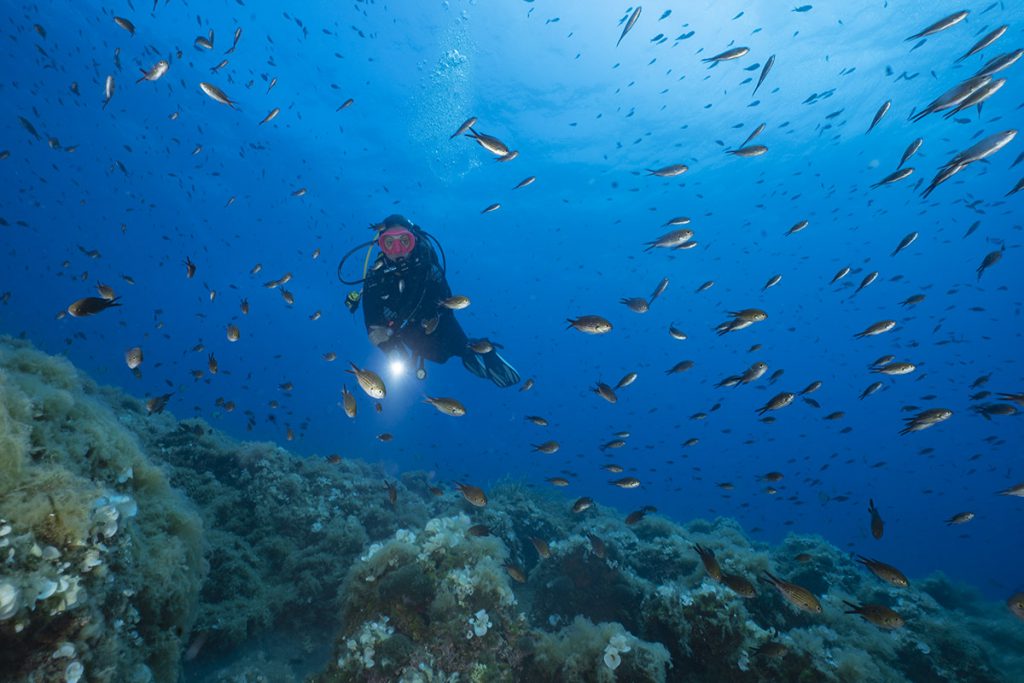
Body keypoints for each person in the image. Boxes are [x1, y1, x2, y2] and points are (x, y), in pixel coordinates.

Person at [339, 214, 520, 387]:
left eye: (405, 241)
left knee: (458, 345)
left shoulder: (427, 266)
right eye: (389, 243)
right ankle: (469, 352)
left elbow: (447, 300)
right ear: (381, 246)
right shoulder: (375, 278)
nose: (398, 250)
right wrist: (391, 348)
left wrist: (431, 315)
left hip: (438, 319)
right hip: (405, 330)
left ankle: (481, 350)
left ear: (414, 241)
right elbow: (372, 324)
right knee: (439, 357)